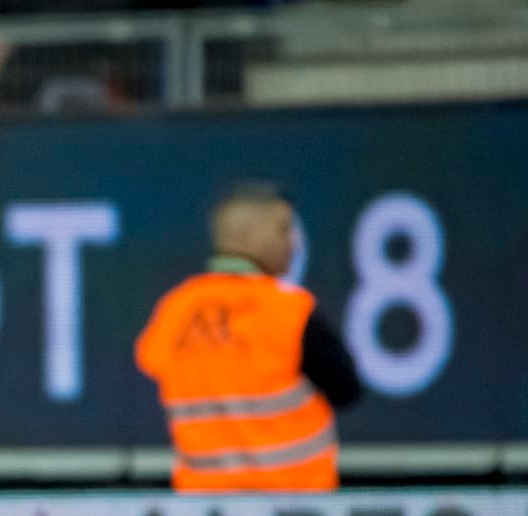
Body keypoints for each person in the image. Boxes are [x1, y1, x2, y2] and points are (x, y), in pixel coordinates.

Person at [135, 182, 362, 492]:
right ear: (251, 237)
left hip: (204, 504)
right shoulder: (288, 310)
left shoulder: (177, 309)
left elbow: (150, 362)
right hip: (296, 502)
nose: (293, 243)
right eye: (283, 230)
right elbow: (346, 389)